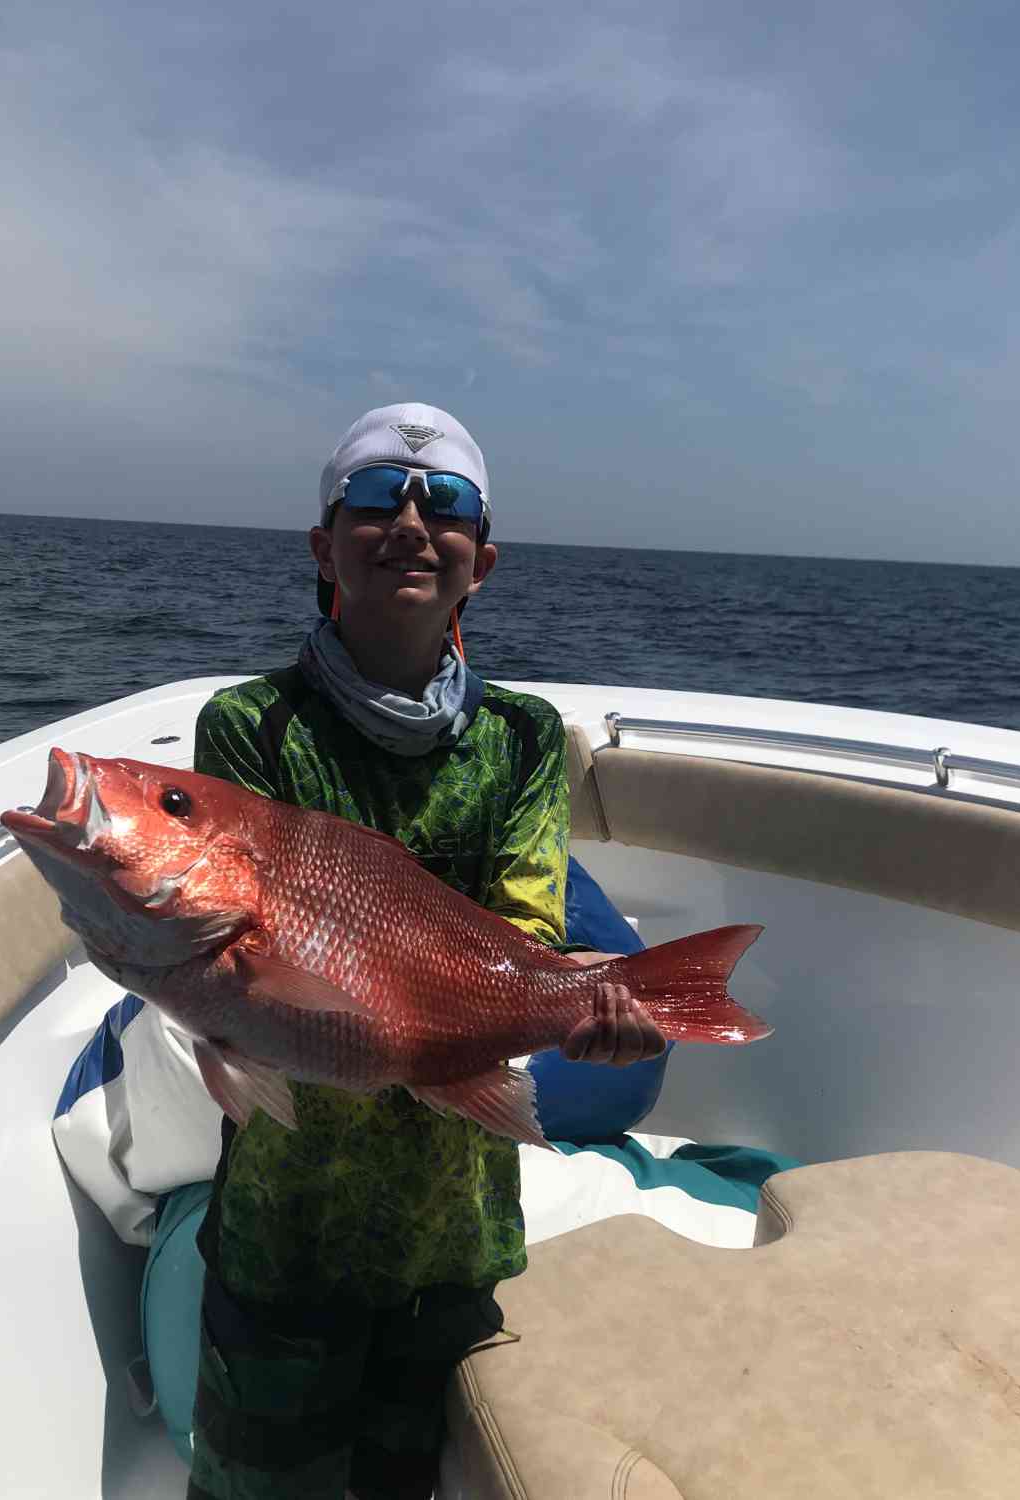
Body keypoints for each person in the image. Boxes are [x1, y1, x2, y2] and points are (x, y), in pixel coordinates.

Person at [186, 402, 664, 1500]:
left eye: (442, 501)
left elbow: (529, 933)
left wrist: (585, 1005)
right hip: (284, 1231)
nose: (409, 520)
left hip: (450, 1227)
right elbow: (237, 965)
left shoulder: (527, 738)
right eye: (373, 497)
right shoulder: (251, 729)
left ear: (479, 563)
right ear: (323, 544)